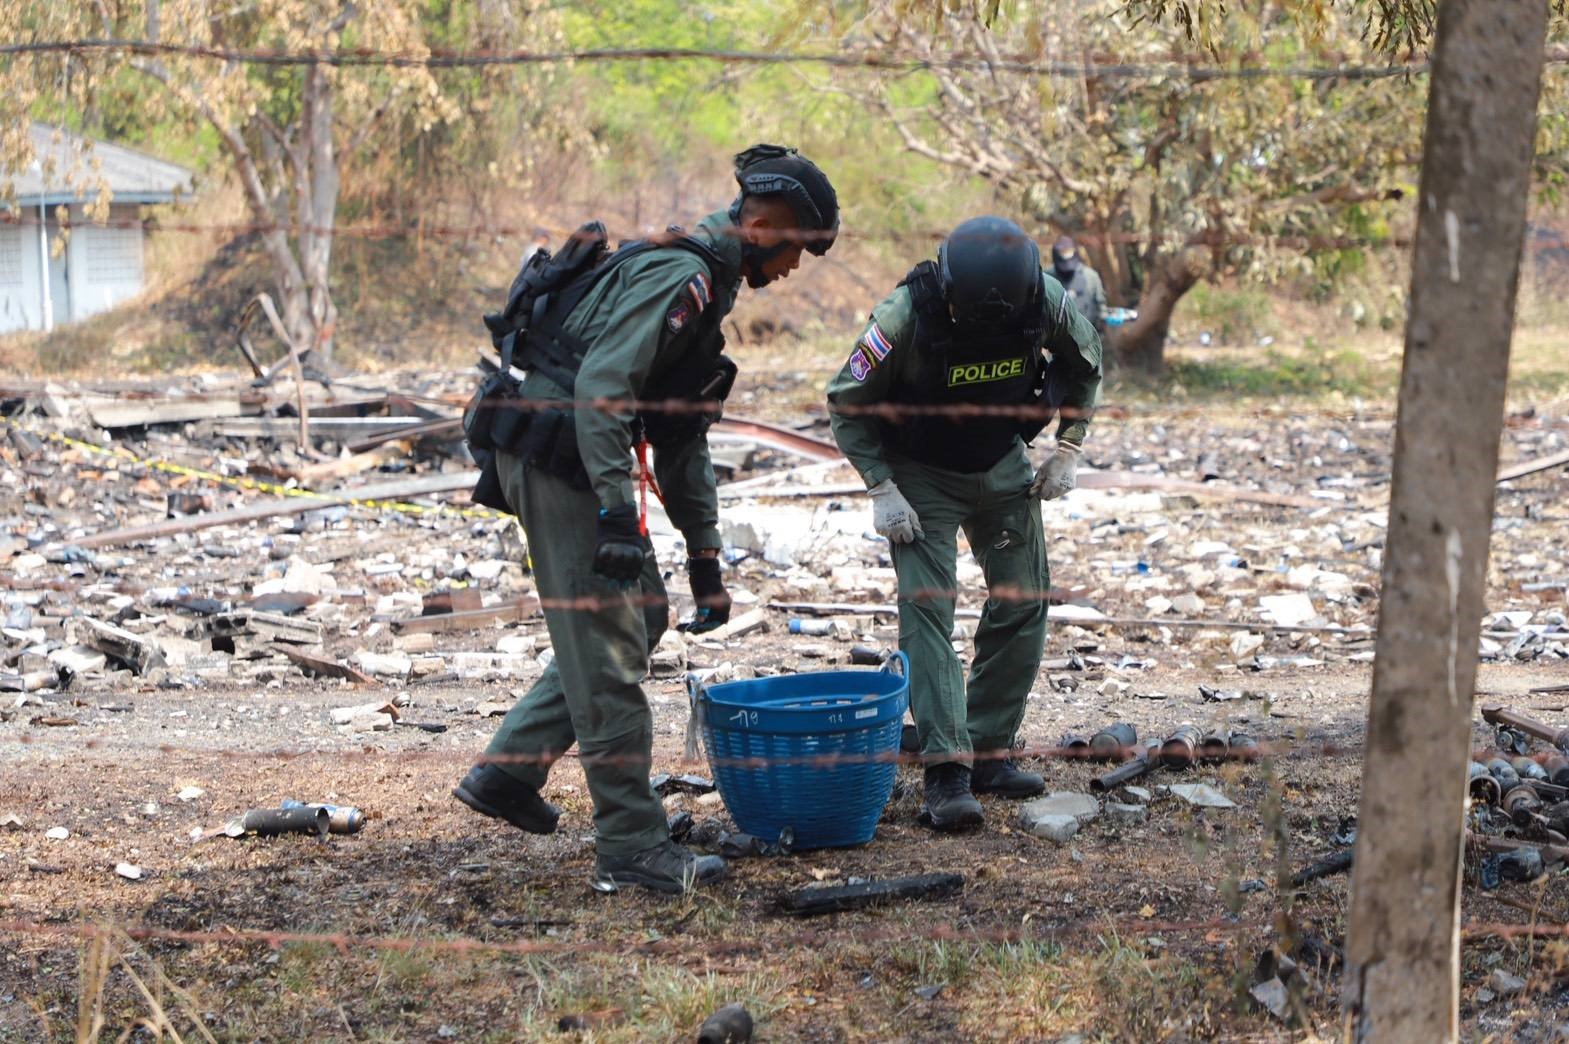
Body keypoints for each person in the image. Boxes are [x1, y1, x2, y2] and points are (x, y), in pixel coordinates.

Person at [455, 144, 839, 892]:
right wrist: (612, 512)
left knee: (640, 616)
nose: (795, 268)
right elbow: (602, 389)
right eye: (796, 249)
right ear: (761, 227)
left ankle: (508, 772)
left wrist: (705, 559)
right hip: (558, 455)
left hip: (575, 454)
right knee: (609, 655)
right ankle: (630, 846)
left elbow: (681, 435)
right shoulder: (681, 276)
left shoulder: (707, 285)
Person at [826, 215, 1103, 831]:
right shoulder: (903, 316)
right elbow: (846, 401)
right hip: (919, 472)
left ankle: (987, 751)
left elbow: (1086, 362)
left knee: (1025, 598)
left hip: (1001, 459)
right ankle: (946, 771)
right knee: (929, 610)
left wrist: (1069, 447)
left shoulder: (1045, 300)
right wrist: (880, 485)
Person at [1050, 235, 1108, 337]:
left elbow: (1101, 307)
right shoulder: (1046, 278)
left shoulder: (1091, 277)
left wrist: (1100, 333)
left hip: (1087, 337)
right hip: (1054, 339)